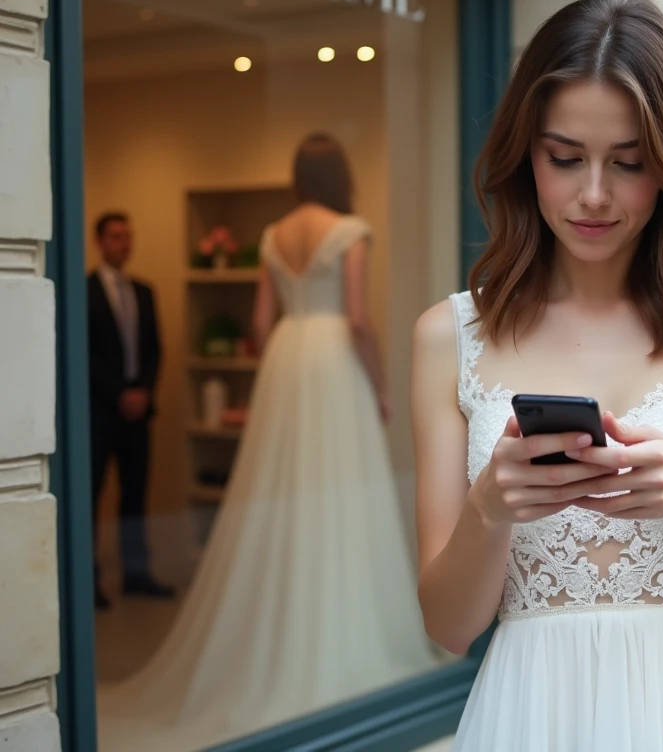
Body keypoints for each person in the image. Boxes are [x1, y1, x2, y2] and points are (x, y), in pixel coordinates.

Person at [412, 0, 663, 751]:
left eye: (629, 163)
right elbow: (449, 628)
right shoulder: (447, 337)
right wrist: (490, 508)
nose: (594, 193)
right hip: (533, 717)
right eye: (564, 158)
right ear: (526, 156)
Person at [96, 133, 435, 752]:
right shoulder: (350, 230)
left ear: (298, 176)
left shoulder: (275, 234)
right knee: (340, 492)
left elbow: (258, 323)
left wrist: (280, 359)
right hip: (332, 361)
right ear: (340, 177)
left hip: (287, 357)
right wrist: (382, 385)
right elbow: (358, 318)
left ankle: (275, 637)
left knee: (281, 495)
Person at [88, 212, 174, 609]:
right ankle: (89, 578)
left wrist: (143, 392)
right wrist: (119, 393)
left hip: (138, 412)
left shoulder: (144, 291)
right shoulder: (85, 290)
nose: (124, 244)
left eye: (128, 236)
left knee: (136, 493)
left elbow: (154, 348)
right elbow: (86, 353)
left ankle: (137, 574)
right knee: (92, 494)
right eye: (116, 237)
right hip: (101, 412)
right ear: (100, 242)